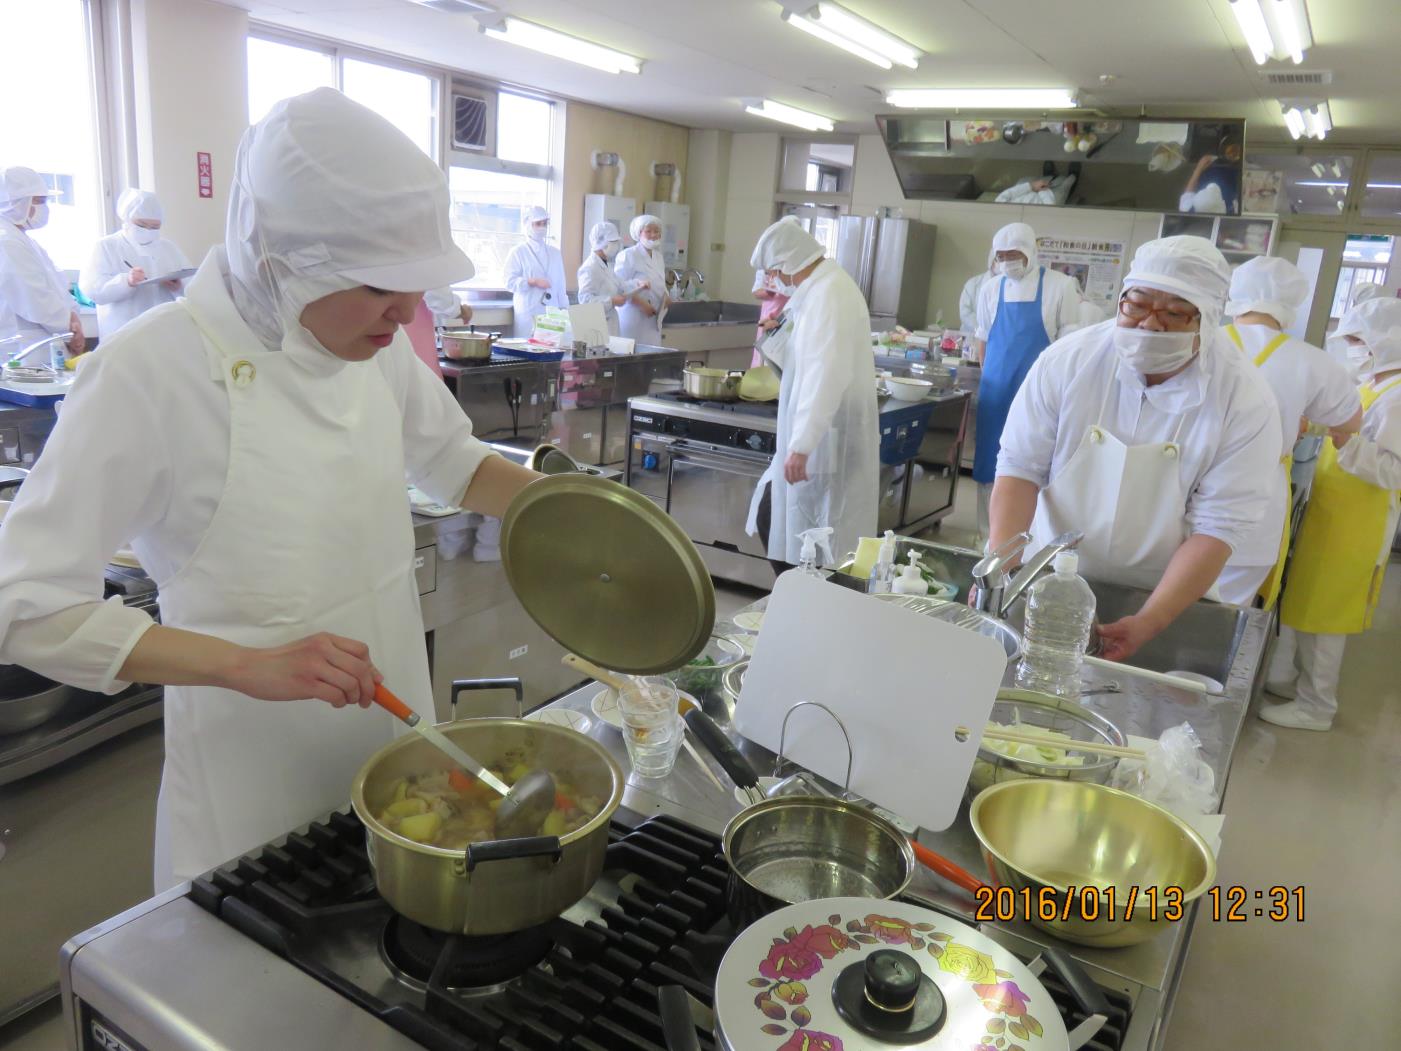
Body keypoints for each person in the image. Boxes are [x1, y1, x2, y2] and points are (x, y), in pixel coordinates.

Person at [0, 89, 541, 890]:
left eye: (414, 283)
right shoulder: (150, 371)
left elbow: (456, 463)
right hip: (249, 774)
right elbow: (26, 604)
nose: (407, 311)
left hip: (393, 743)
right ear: (282, 260)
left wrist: (580, 519)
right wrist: (242, 664)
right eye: (376, 283)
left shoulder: (373, 342)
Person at [990, 236, 1280, 661]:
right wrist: (1007, 575)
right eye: (1137, 304)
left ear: (1210, 318)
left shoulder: (1244, 397)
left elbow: (1218, 526)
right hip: (1048, 574)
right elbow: (1019, 467)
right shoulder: (1068, 361)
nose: (1150, 324)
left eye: (1175, 312)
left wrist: (1150, 620)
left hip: (1165, 590)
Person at [1265, 298, 1401, 730]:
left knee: (1331, 613)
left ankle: (1317, 705)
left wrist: (1344, 441)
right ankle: (1298, 682)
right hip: (1333, 511)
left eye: (1360, 340)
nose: (1354, 348)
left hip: (1361, 520)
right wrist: (1319, 426)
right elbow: (1349, 428)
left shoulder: (1397, 396)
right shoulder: (1372, 384)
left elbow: (1393, 470)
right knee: (1309, 598)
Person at [1217, 257, 1362, 607]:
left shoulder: (1203, 342)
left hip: (1183, 491)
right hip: (1258, 503)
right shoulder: (1312, 361)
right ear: (1290, 306)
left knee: (1161, 598)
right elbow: (1351, 422)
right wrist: (1300, 420)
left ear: (1235, 295)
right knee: (1228, 609)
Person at [744, 220, 877, 563]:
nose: (772, 279)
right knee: (787, 519)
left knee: (815, 528)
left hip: (826, 435)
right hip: (819, 430)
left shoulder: (829, 294)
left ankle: (808, 600)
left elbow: (825, 373)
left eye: (774, 270)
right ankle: (802, 596)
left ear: (790, 262)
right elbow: (805, 360)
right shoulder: (820, 289)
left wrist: (802, 445)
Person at [972, 222, 1081, 539]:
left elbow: (1068, 344)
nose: (1008, 261)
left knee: (1037, 466)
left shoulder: (1061, 286)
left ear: (1031, 252)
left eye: (1014, 254)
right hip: (997, 390)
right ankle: (986, 536)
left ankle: (1033, 538)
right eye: (1001, 255)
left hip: (1039, 395)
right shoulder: (991, 288)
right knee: (988, 465)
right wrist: (991, 376)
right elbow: (983, 338)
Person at [79, 189, 193, 340]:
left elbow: (192, 284)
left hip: (163, 334)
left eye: (154, 227)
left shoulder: (168, 248)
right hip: (121, 335)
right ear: (127, 219)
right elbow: (92, 289)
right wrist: (126, 281)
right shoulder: (106, 246)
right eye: (141, 224)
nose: (148, 231)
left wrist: (178, 287)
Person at [0, 167, 83, 355]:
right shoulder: (7, 241)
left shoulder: (23, 240)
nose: (44, 208)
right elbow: (35, 298)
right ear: (17, 203)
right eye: (39, 202)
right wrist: (69, 327)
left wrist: (73, 320)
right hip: (24, 350)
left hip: (43, 344)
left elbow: (57, 287)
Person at [503, 205, 566, 338]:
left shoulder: (555, 253)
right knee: (527, 349)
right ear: (527, 225)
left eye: (544, 223)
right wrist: (532, 281)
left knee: (550, 350)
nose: (542, 227)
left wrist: (565, 311)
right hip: (528, 312)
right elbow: (508, 282)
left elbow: (561, 286)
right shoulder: (518, 252)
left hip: (552, 312)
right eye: (537, 223)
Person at [577, 220, 644, 338]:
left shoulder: (607, 265)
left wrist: (638, 284)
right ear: (602, 243)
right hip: (594, 328)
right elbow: (585, 301)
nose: (617, 245)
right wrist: (611, 301)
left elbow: (621, 286)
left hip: (609, 324)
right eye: (613, 242)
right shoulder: (589, 268)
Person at [615, 214, 669, 345]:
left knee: (651, 358)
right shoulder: (628, 255)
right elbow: (619, 287)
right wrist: (641, 304)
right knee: (632, 357)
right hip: (633, 317)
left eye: (656, 231)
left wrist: (666, 297)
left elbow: (659, 282)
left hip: (653, 318)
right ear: (639, 233)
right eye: (648, 231)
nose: (653, 235)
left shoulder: (658, 257)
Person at [752, 267, 790, 367]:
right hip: (767, 319)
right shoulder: (764, 268)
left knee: (783, 359)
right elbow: (756, 292)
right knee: (763, 360)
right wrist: (769, 291)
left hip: (788, 320)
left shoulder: (791, 267)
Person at [958, 250, 994, 335]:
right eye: (998, 259)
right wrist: (983, 330)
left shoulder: (1010, 287)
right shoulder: (973, 284)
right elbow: (965, 313)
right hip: (970, 336)